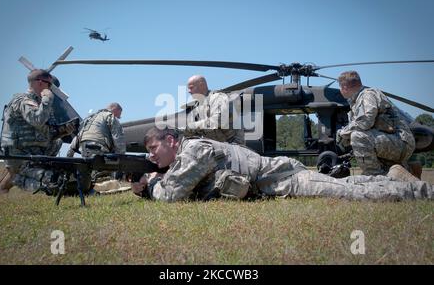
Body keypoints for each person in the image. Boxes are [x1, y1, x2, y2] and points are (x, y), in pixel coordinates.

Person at [131, 127, 431, 202]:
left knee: (348, 194)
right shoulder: (189, 151)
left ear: (171, 140)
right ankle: (395, 175)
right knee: (345, 183)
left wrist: (149, 186)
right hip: (278, 172)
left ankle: (422, 193)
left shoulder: (193, 150)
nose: (152, 157)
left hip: (283, 179)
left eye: (154, 148)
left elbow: (172, 196)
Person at [0, 69, 75, 193]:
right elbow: (38, 119)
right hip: (19, 153)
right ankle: (14, 177)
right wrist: (47, 98)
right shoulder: (23, 101)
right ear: (39, 83)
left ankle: (20, 173)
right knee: (53, 183)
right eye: (49, 85)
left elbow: (47, 132)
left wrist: (64, 131)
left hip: (34, 151)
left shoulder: (41, 104)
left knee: (59, 145)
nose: (50, 89)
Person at [336, 71, 416, 176]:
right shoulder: (358, 100)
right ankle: (407, 169)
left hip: (401, 141)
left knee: (358, 137)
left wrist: (342, 132)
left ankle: (374, 176)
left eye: (340, 88)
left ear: (345, 88)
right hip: (395, 141)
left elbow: (365, 121)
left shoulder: (367, 95)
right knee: (356, 136)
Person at [67, 102, 126, 184]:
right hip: (98, 149)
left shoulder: (90, 118)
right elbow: (118, 139)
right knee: (103, 177)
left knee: (88, 171)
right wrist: (121, 158)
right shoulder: (110, 117)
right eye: (118, 115)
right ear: (114, 110)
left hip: (84, 148)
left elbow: (78, 137)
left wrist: (69, 156)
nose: (118, 117)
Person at [185, 75, 245, 144]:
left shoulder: (218, 98)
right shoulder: (197, 106)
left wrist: (193, 126)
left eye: (191, 88)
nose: (189, 91)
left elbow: (218, 120)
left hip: (233, 146)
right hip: (217, 146)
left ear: (201, 85)